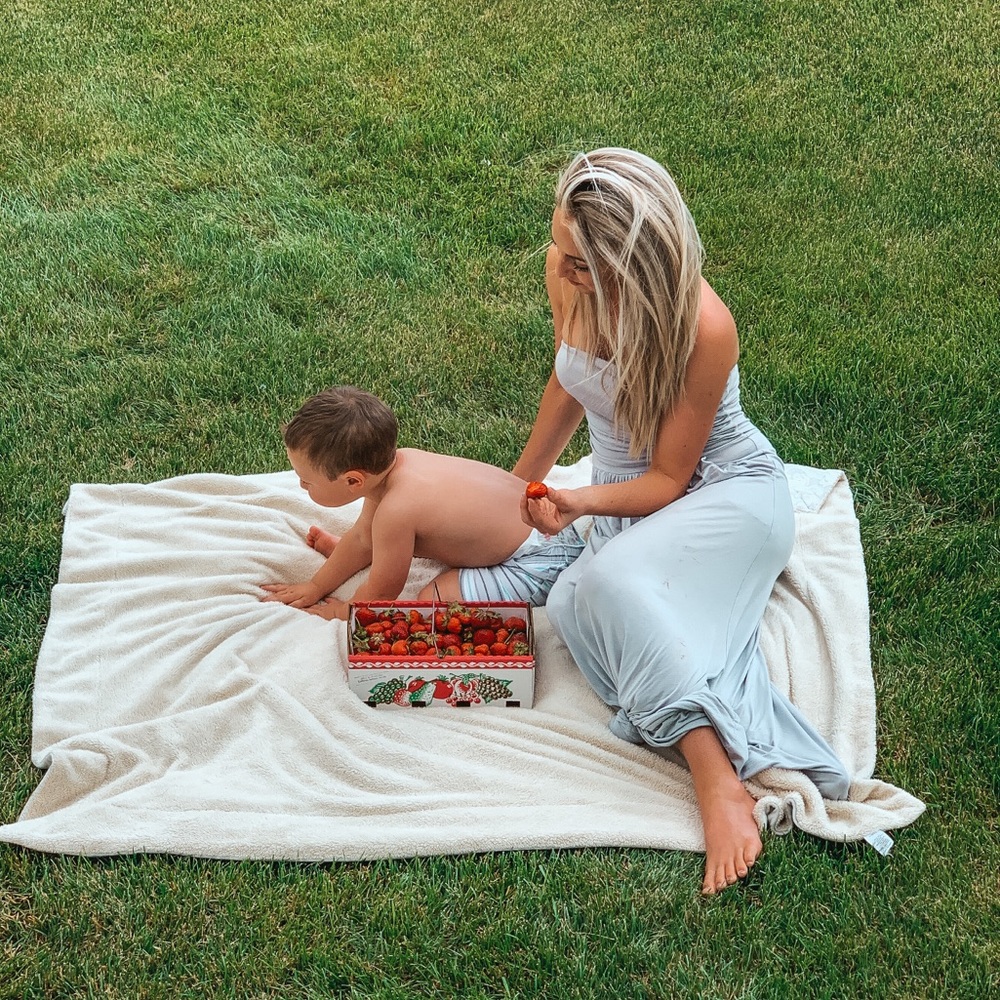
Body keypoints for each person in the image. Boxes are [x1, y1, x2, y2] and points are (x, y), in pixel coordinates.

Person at [514, 148, 851, 895]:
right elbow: (569, 382)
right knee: (570, 603)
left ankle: (714, 776)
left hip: (724, 494)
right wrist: (519, 483)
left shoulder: (704, 326)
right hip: (626, 497)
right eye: (560, 249)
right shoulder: (565, 268)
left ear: (631, 267)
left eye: (580, 263)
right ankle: (694, 704)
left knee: (605, 585)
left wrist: (577, 503)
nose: (560, 268)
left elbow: (668, 481)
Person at [260, 386, 585, 619]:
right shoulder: (401, 464)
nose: (301, 485)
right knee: (373, 543)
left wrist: (342, 611)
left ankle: (387, 557)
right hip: (549, 524)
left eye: (307, 481)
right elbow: (362, 537)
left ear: (353, 481)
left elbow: (382, 593)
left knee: (433, 598)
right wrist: (316, 585)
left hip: (539, 565)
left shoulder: (396, 511)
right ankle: (373, 554)